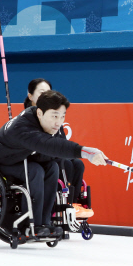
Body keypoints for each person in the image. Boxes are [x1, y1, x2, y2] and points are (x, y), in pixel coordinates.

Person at [0, 90, 107, 238]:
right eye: (54, 116)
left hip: (22, 159)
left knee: (52, 167)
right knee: (35, 171)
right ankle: (31, 224)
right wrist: (85, 152)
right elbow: (50, 145)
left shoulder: (51, 124)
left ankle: (45, 223)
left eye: (62, 116)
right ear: (40, 113)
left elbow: (58, 148)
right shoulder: (23, 127)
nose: (59, 122)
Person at [24, 79, 92, 218]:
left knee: (77, 163)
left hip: (54, 154)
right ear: (30, 96)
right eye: (41, 93)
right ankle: (60, 205)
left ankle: (73, 202)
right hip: (37, 158)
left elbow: (62, 142)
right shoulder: (27, 118)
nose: (44, 96)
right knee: (64, 163)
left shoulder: (54, 116)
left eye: (48, 93)